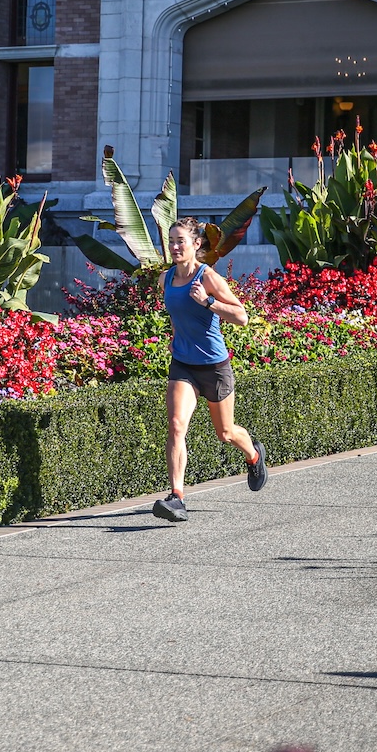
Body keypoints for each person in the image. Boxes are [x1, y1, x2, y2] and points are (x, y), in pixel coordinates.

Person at [152, 216, 268, 522]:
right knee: (177, 425)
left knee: (226, 433)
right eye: (171, 240)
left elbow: (241, 317)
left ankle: (254, 455)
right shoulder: (166, 279)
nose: (175, 246)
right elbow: (177, 317)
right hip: (183, 365)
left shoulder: (208, 278)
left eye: (181, 241)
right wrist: (177, 339)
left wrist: (209, 303)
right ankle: (176, 497)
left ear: (196, 244)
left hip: (214, 366)